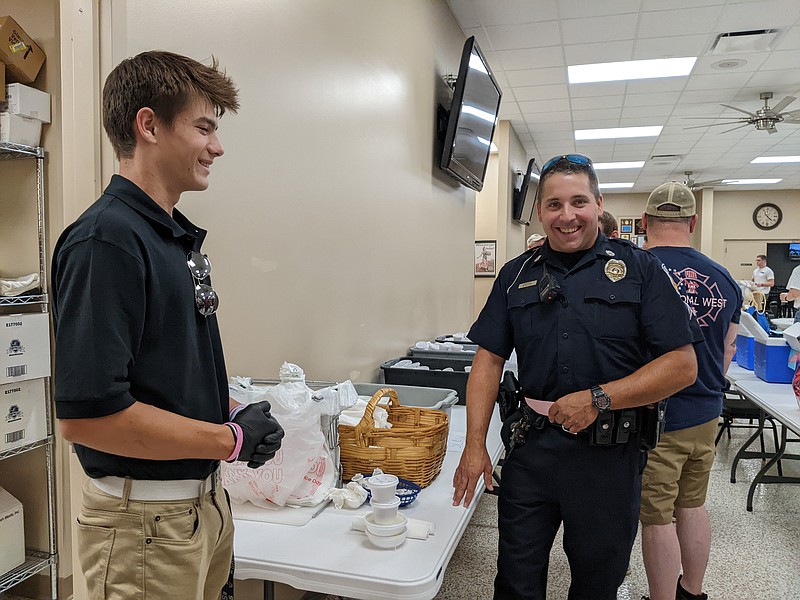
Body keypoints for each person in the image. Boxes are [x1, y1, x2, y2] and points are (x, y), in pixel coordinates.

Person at [52, 51, 285, 600]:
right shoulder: (105, 241)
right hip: (143, 529)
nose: (217, 146)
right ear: (149, 124)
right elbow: (89, 418)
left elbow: (161, 375)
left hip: (198, 511)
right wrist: (229, 439)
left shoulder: (171, 238)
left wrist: (229, 413)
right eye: (204, 127)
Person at [452, 154, 701, 600]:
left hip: (608, 458)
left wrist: (599, 397)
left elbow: (682, 365)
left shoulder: (641, 270)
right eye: (553, 205)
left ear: (598, 204)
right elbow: (488, 360)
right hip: (531, 452)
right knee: (515, 580)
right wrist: (474, 447)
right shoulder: (516, 275)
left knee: (597, 582)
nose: (566, 216)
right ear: (539, 212)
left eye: (578, 202)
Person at [638, 182, 742, 600]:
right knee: (693, 505)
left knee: (656, 517)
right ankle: (692, 592)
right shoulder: (725, 280)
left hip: (655, 414)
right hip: (705, 410)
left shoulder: (636, 270)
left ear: (645, 222)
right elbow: (727, 350)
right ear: (693, 222)